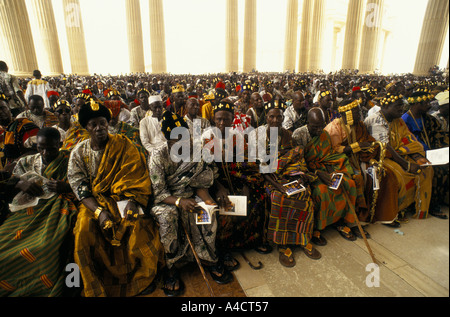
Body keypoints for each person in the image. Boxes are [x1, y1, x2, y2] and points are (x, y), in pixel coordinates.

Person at [67, 100, 163, 297]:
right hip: (94, 202)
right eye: (93, 124)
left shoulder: (123, 144)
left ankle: (140, 278)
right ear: (86, 127)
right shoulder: (79, 152)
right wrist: (99, 212)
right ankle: (95, 282)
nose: (99, 128)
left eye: (102, 122)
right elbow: (80, 188)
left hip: (123, 198)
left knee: (137, 224)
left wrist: (133, 200)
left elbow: (137, 175)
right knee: (84, 230)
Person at [149, 110, 232, 297]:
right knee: (167, 217)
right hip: (167, 200)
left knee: (207, 210)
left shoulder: (196, 148)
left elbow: (201, 180)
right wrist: (179, 202)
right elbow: (159, 192)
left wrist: (207, 199)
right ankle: (172, 267)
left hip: (191, 194)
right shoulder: (157, 156)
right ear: (167, 139)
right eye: (176, 140)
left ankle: (208, 258)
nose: (182, 143)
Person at [0, 127, 78, 296]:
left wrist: (67, 187)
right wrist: (20, 184)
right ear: (36, 145)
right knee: (4, 243)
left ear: (60, 145)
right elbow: (10, 183)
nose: (45, 152)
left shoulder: (70, 160)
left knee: (45, 246)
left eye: (51, 148)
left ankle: (43, 286)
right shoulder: (26, 162)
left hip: (56, 209)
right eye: (40, 147)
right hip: (26, 210)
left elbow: (85, 184)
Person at [249, 99, 320, 267]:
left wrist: (299, 175)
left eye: (279, 117)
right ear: (266, 117)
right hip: (268, 177)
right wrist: (276, 184)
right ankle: (283, 243)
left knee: (304, 193)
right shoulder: (256, 135)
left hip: (287, 174)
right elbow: (257, 164)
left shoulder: (288, 134)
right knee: (279, 198)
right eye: (271, 117)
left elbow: (295, 157)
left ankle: (302, 237)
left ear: (283, 117)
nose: (275, 120)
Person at [202, 100, 271, 270]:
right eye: (218, 119)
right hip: (214, 183)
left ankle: (250, 241)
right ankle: (225, 249)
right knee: (224, 210)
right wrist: (219, 187)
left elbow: (247, 163)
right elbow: (204, 169)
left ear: (232, 120)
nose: (222, 123)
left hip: (237, 179)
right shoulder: (206, 137)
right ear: (213, 119)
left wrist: (247, 185)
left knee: (256, 199)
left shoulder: (237, 136)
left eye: (226, 120)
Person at [324, 98, 400, 234]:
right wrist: (357, 146)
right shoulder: (334, 128)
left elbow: (367, 140)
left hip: (361, 158)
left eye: (359, 110)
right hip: (343, 161)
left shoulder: (359, 125)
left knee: (384, 174)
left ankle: (380, 215)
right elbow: (334, 151)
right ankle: (355, 220)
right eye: (356, 111)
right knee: (357, 179)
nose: (360, 114)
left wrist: (370, 149)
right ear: (346, 113)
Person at [364, 92, 434, 220]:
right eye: (398, 107)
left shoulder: (398, 120)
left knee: (425, 167)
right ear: (385, 107)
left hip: (398, 153)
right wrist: (407, 165)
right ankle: (398, 209)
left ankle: (418, 207)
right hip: (381, 156)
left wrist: (416, 156)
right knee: (402, 175)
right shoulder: (376, 120)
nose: (402, 110)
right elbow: (384, 148)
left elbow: (408, 139)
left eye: (402, 107)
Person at [302, 107, 359, 243]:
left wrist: (331, 170)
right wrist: (317, 173)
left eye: (321, 126)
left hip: (324, 168)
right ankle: (318, 227)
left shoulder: (325, 134)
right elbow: (299, 162)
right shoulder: (299, 135)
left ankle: (341, 221)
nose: (319, 130)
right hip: (309, 172)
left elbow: (328, 155)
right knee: (322, 191)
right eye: (315, 127)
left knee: (348, 183)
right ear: (307, 123)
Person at [402, 89, 449, 219]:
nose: (429, 105)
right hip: (414, 153)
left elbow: (439, 135)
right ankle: (431, 205)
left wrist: (442, 150)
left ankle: (442, 199)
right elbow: (406, 142)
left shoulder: (428, 119)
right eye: (426, 103)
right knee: (436, 171)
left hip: (433, 152)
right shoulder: (404, 120)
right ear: (416, 104)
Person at [0, 94, 39, 172]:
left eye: (2, 108)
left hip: (22, 174)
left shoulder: (24, 125)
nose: (0, 112)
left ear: (9, 107)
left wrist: (15, 163)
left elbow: (38, 149)